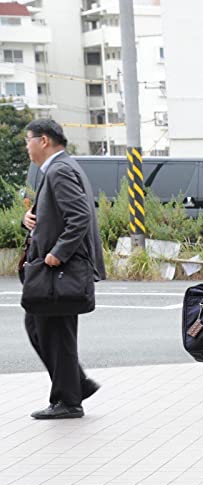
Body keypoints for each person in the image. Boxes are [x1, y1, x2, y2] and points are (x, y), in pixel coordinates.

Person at [21, 119, 106, 420]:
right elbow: (58, 215)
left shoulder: (59, 170)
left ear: (43, 141)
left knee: (54, 332)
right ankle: (76, 384)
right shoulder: (60, 168)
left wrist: (58, 253)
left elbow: (79, 216)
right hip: (56, 271)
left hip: (60, 270)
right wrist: (28, 220)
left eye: (28, 140)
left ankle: (68, 400)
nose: (27, 146)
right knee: (41, 327)